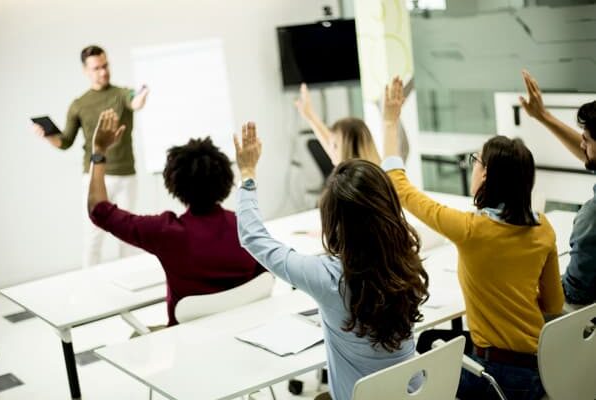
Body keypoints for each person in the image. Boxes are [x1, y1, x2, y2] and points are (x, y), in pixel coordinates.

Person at [381, 77, 564, 400]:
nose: (473, 168)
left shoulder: (471, 230)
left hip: (493, 377)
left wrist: (390, 121)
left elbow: (401, 188)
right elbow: (553, 304)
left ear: (487, 175)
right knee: (435, 341)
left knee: (422, 359)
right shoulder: (543, 228)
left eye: (476, 161)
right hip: (540, 369)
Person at [234, 122, 429, 400]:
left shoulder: (328, 278)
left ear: (334, 221)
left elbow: (253, 237)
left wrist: (247, 174)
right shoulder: (405, 258)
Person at [87, 110, 264, 326]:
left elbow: (99, 210)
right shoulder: (246, 225)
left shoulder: (167, 232)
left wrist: (99, 151)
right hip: (246, 338)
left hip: (186, 346)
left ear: (174, 184)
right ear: (226, 178)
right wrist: (249, 169)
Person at [33, 45, 150, 267]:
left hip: (126, 175)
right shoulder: (79, 105)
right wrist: (46, 135)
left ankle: (129, 280)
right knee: (94, 235)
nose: (103, 72)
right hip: (96, 176)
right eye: (97, 68)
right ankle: (90, 283)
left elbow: (135, 101)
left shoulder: (122, 93)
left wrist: (142, 95)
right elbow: (65, 142)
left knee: (128, 236)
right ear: (86, 71)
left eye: (105, 66)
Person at [520, 70, 596, 308]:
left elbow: (575, 291)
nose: (581, 143)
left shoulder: (591, 217)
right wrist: (543, 116)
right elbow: (587, 152)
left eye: (587, 139)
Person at [295, 83, 381, 165]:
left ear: (350, 152)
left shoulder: (350, 178)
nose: (330, 149)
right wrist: (309, 115)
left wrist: (310, 115)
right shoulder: (374, 170)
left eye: (335, 146)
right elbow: (330, 142)